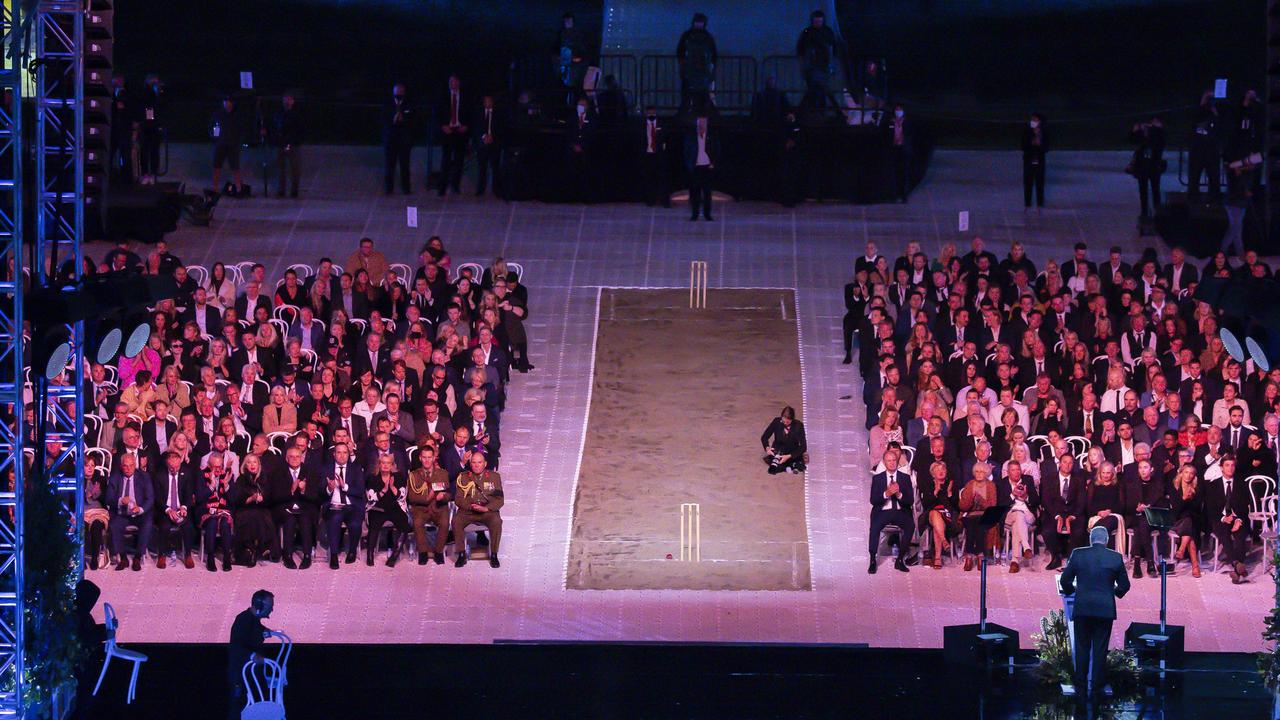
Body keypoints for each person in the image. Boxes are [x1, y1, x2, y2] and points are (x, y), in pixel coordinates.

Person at [1059, 526, 1131, 697]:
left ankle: (1081, 686)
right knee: (1100, 648)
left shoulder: (1078, 554)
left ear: (1091, 540)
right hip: (1105, 609)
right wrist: (1114, 593)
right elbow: (1125, 586)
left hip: (1083, 607)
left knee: (1082, 646)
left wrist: (1072, 591)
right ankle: (1097, 686)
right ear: (1107, 540)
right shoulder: (1115, 557)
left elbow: (1065, 580)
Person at [227, 589, 274, 720]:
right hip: (241, 675)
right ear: (259, 606)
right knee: (239, 708)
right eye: (270, 606)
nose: (272, 610)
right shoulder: (243, 619)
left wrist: (266, 631)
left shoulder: (253, 620)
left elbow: (255, 631)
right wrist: (252, 655)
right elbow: (236, 645)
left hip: (250, 675)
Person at [452, 450, 504, 568]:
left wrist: (486, 509)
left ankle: (494, 554)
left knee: (497, 521)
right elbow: (458, 499)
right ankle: (461, 553)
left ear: (485, 463)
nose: (476, 465)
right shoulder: (463, 477)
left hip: (487, 511)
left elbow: (499, 500)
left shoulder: (494, 477)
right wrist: (470, 506)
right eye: (474, 462)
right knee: (456, 521)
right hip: (468, 511)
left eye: (479, 462)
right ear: (470, 464)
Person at [868, 447, 914, 574]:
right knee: (875, 526)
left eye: (894, 460)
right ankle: (872, 559)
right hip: (883, 511)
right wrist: (886, 494)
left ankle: (900, 559)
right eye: (889, 461)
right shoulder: (878, 478)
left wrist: (899, 494)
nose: (892, 463)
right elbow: (873, 500)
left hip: (900, 511)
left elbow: (910, 501)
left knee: (910, 525)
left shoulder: (905, 477)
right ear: (884, 462)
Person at [104, 453, 153, 571]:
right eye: (125, 466)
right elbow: (108, 499)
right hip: (121, 512)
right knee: (114, 525)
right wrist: (120, 501)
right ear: (121, 466)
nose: (128, 469)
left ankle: (138, 557)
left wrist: (140, 509)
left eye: (131, 466)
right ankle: (123, 557)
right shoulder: (115, 477)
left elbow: (150, 498)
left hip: (139, 512)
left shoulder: (144, 476)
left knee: (147, 524)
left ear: (135, 465)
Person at [321, 441, 365, 569]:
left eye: (345, 452)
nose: (342, 456)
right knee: (334, 519)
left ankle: (352, 551)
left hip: (352, 505)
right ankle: (334, 555)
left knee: (355, 523)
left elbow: (360, 490)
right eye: (339, 452)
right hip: (333, 505)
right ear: (334, 454)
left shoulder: (356, 468)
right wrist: (329, 488)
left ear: (348, 453)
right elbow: (318, 491)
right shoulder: (326, 468)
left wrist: (344, 487)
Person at [407, 444, 451, 565]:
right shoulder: (414, 475)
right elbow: (411, 497)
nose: (427, 460)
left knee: (444, 522)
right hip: (421, 508)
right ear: (420, 458)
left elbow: (448, 494)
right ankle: (423, 553)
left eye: (429, 457)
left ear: (434, 458)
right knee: (417, 523)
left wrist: (443, 497)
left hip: (438, 507)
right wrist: (427, 498)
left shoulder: (443, 474)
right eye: (424, 457)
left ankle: (438, 552)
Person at [72, 579, 107, 720]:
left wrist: (105, 629)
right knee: (85, 696)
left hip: (85, 662)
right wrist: (105, 632)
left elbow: (90, 632)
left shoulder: (82, 612)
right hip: (81, 665)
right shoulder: (78, 614)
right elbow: (86, 637)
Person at [796, 10, 838, 110]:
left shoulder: (827, 32)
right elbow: (801, 48)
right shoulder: (807, 32)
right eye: (816, 21)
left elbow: (833, 48)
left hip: (824, 66)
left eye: (819, 21)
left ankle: (817, 111)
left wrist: (831, 64)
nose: (817, 24)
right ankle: (814, 111)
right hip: (811, 66)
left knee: (821, 89)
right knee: (815, 89)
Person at [676, 13, 717, 114]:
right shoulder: (706, 37)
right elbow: (714, 54)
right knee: (694, 92)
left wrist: (682, 63)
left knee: (689, 91)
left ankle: (688, 110)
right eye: (698, 22)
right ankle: (695, 111)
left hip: (695, 70)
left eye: (700, 22)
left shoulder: (688, 35)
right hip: (697, 70)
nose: (699, 24)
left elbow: (680, 51)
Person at [1187, 91, 1222, 203]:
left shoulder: (1216, 112)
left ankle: (1213, 202)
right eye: (1208, 98)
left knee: (1214, 178)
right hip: (1197, 150)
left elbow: (1220, 127)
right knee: (1194, 178)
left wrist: (1215, 112)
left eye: (1211, 98)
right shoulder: (1197, 111)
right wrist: (1202, 104)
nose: (1209, 101)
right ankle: (1193, 202)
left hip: (1212, 151)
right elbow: (1192, 124)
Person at [1129, 116, 1165, 221]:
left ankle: (1157, 212)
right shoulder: (1142, 135)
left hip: (1154, 165)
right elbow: (1132, 140)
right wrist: (1135, 131)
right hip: (1142, 165)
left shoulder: (1158, 134)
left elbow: (1161, 142)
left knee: (1155, 189)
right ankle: (1144, 212)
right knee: (1143, 190)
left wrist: (1159, 129)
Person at [437, 74, 468, 197]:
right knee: (446, 160)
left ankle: (455, 186)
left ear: (458, 83)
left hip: (460, 131)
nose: (452, 84)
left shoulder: (465, 96)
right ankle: (442, 188)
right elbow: (437, 112)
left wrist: (466, 125)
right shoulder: (443, 96)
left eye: (454, 81)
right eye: (450, 82)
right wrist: (442, 126)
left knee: (459, 160)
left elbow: (469, 112)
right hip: (448, 131)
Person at [269, 92, 304, 198]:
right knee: (281, 169)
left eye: (289, 99)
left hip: (293, 145)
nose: (287, 101)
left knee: (295, 169)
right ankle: (281, 190)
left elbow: (298, 131)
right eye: (285, 99)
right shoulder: (278, 114)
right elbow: (275, 128)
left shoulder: (297, 115)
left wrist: (290, 143)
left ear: (293, 101)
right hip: (280, 144)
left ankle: (294, 190)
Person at [683, 113, 717, 221]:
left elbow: (717, 150)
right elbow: (686, 152)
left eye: (704, 122)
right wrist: (690, 165)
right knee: (695, 193)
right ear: (696, 124)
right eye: (700, 123)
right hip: (696, 168)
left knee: (707, 193)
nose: (702, 125)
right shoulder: (691, 137)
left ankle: (707, 214)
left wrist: (713, 163)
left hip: (707, 168)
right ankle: (695, 214)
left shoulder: (711, 137)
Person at [209, 94, 245, 195]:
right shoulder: (218, 114)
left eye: (229, 102)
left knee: (235, 167)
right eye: (226, 102)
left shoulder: (237, 115)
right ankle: (215, 188)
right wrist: (215, 137)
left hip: (233, 145)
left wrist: (239, 141)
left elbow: (241, 130)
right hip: (220, 144)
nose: (228, 104)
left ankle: (238, 188)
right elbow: (211, 127)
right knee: (217, 166)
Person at [383, 83, 414, 195]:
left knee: (405, 165)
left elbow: (413, 119)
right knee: (389, 165)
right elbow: (383, 118)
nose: (398, 94)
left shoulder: (409, 104)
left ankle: (406, 188)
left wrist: (403, 118)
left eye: (401, 92)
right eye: (397, 92)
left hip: (404, 141)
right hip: (390, 140)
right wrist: (393, 118)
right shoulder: (387, 104)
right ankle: (389, 189)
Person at [473, 93, 504, 198]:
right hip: (482, 144)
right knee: (482, 167)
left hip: (494, 144)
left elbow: (501, 128)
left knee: (495, 167)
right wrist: (483, 137)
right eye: (486, 101)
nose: (488, 103)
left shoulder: (498, 114)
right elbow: (476, 128)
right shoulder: (479, 113)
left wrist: (492, 137)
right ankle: (481, 189)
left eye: (490, 101)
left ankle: (497, 189)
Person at [639, 105, 671, 208]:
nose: (651, 114)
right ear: (646, 113)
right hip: (648, 155)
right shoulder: (642, 126)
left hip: (659, 155)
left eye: (653, 112)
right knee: (649, 178)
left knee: (662, 178)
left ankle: (664, 200)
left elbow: (665, 138)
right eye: (649, 113)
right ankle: (650, 200)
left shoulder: (662, 124)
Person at [761, 405, 807, 474]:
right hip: (778, 451)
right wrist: (767, 448)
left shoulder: (799, 425)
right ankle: (790, 467)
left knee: (798, 463)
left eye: (788, 422)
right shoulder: (776, 421)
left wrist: (789, 456)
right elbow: (764, 437)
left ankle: (790, 465)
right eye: (783, 421)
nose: (785, 423)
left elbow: (803, 446)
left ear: (792, 419)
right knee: (773, 468)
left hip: (791, 451)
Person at [137, 74, 165, 185]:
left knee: (153, 151)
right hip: (147, 125)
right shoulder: (145, 93)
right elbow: (146, 107)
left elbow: (160, 107)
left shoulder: (157, 94)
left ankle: (152, 174)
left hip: (153, 126)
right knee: (145, 151)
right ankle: (146, 174)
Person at [882, 104, 913, 203]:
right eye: (897, 109)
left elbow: (910, 136)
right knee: (893, 173)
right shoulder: (889, 122)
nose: (898, 111)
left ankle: (904, 195)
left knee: (903, 173)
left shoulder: (907, 122)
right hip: (893, 150)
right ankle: (893, 195)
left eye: (900, 110)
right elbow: (885, 136)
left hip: (903, 150)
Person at [1022, 112, 1048, 209]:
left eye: (1035, 120)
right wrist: (1031, 143)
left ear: (1039, 121)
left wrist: (1039, 143)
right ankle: (1027, 203)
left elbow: (1046, 148)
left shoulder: (1044, 132)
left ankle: (1039, 204)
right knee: (1028, 182)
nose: (1033, 122)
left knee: (1040, 183)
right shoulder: (1026, 131)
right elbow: (1022, 146)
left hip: (1040, 161)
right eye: (1032, 119)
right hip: (1028, 160)